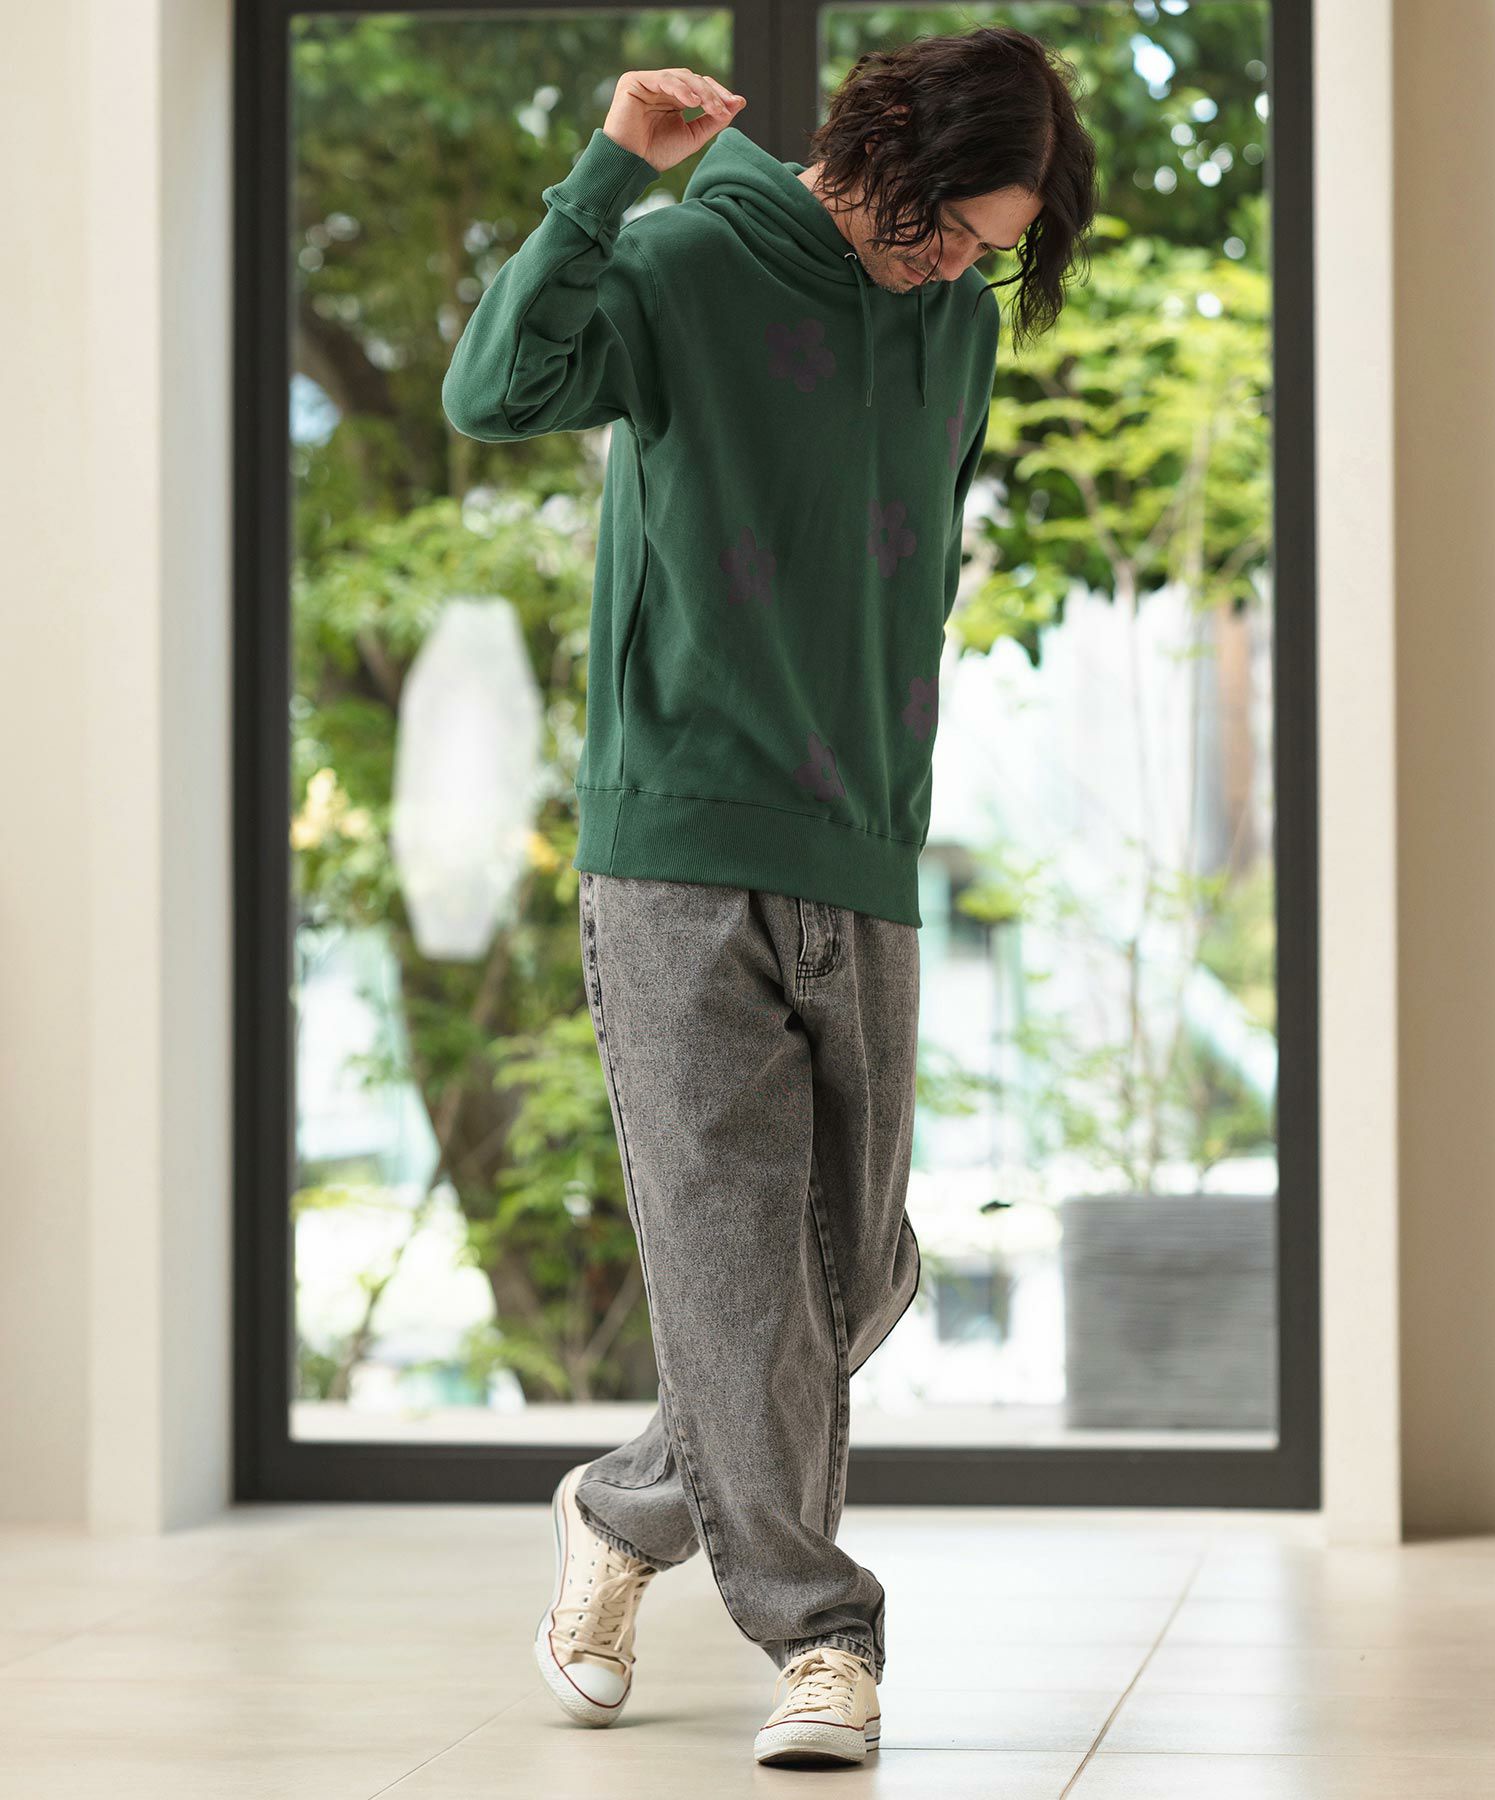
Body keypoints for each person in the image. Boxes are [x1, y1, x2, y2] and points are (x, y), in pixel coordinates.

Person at [442, 25, 1096, 1768]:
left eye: (991, 249)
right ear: (886, 145)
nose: (957, 266)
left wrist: (895, 787)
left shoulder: (957, 326)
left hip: (862, 839)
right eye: (950, 228)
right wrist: (605, 175)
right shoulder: (684, 266)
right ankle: (823, 1638)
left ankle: (624, 1509)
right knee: (747, 1279)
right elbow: (492, 392)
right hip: (676, 841)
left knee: (850, 1279)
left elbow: (908, 574)